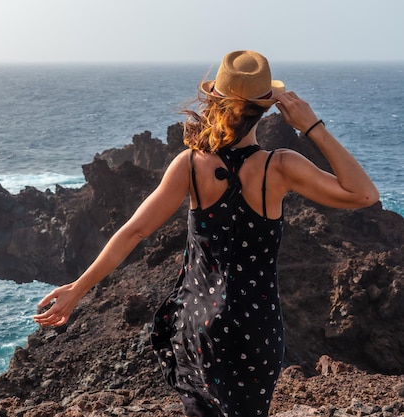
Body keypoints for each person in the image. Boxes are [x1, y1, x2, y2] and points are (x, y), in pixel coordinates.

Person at [33, 50, 379, 417]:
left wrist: (78, 289)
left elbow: (135, 231)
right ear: (266, 108)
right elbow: (364, 194)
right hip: (255, 327)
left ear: (215, 100)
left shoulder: (190, 164)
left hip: (198, 324)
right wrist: (312, 126)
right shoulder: (279, 167)